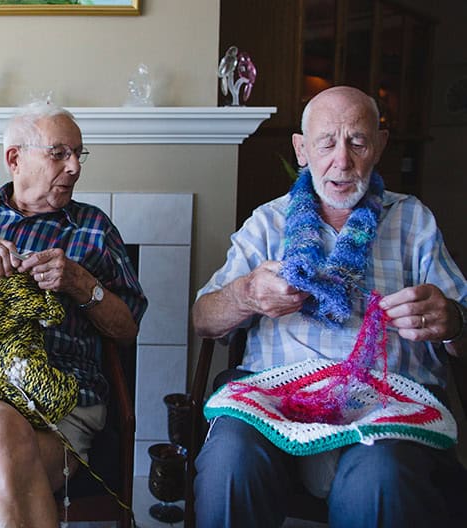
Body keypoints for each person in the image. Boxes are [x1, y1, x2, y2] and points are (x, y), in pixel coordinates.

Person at [192, 85, 467, 527]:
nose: (342, 160)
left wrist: (451, 322)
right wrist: (246, 294)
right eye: (326, 142)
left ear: (379, 145)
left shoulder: (414, 220)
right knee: (229, 461)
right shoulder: (267, 222)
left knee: (380, 480)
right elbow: (203, 320)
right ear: (301, 149)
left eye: (357, 141)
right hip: (274, 401)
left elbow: (463, 336)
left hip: (388, 405)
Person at [0, 102, 147, 527]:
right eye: (59, 153)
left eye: (78, 154)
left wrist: (80, 282)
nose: (74, 167)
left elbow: (127, 327)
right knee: (1, 428)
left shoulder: (94, 227)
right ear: (14, 158)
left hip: (65, 400)